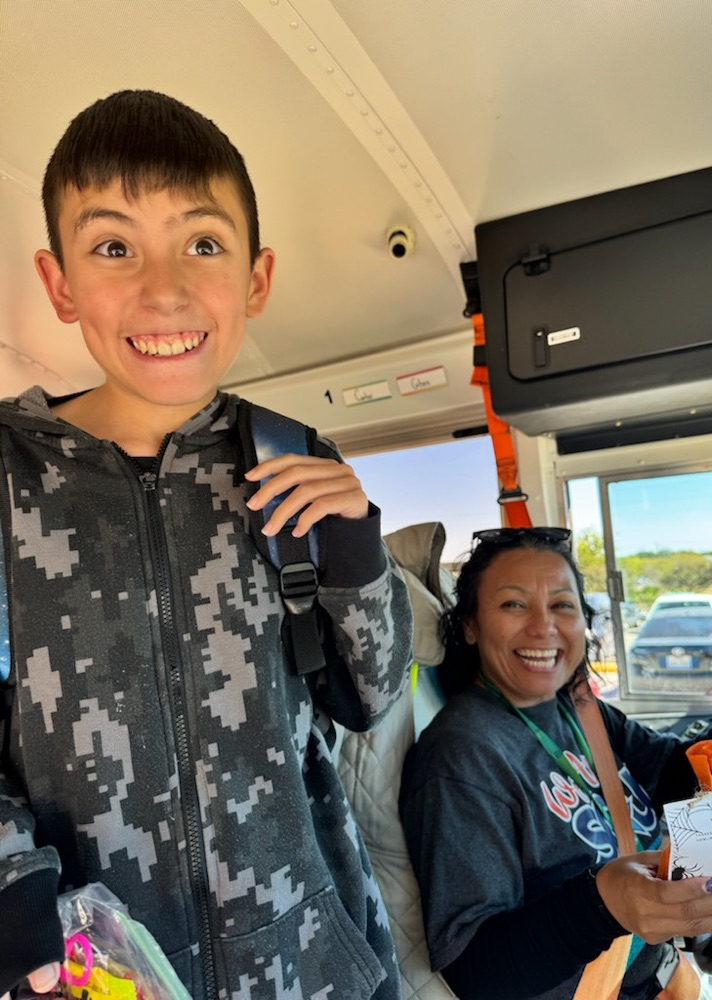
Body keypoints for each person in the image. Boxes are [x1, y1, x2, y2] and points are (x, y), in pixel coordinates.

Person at [0, 90, 412, 1000]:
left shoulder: (297, 457)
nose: (164, 290)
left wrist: (357, 549)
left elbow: (372, 699)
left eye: (203, 244)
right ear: (60, 282)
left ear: (256, 278)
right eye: (113, 247)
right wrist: (14, 913)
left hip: (318, 965)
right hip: (92, 972)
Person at [399, 526, 712, 999]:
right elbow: (474, 972)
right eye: (513, 604)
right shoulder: (463, 756)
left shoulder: (579, 705)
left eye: (562, 605)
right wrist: (603, 904)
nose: (543, 627)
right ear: (470, 625)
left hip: (668, 973)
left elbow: (670, 779)